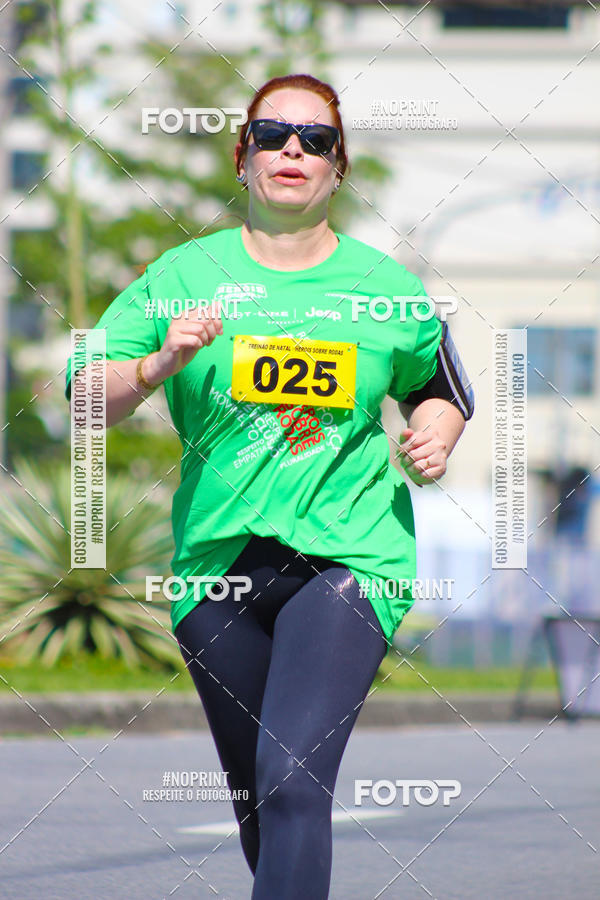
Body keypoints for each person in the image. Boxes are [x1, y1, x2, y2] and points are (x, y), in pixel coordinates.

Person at [66, 73, 473, 899]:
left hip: (349, 561)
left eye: (316, 139)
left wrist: (435, 433)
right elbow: (83, 401)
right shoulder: (180, 275)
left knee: (291, 781)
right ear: (243, 156)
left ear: (338, 166)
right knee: (262, 799)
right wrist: (157, 363)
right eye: (273, 133)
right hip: (217, 569)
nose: (294, 149)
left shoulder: (386, 287)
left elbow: (443, 388)